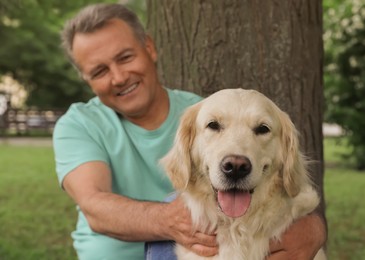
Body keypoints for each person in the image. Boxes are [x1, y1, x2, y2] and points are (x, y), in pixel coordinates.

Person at [53, 3, 326, 260]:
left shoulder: (209, 112)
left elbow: (287, 188)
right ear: (87, 80)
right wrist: (171, 221)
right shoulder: (78, 124)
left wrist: (313, 227)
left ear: (149, 47)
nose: (119, 77)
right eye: (100, 71)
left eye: (125, 57)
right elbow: (95, 208)